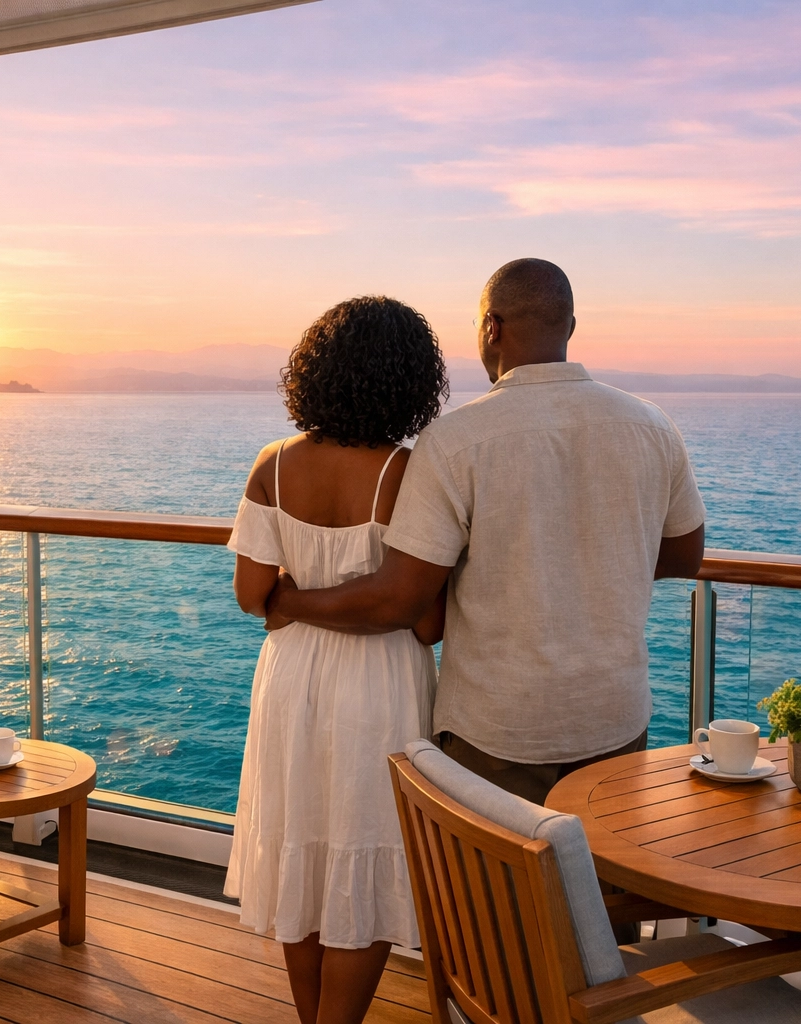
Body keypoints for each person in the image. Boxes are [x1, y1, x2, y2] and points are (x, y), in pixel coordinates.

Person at [266, 259, 707, 805]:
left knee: (495, 887)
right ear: (569, 326)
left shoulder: (455, 441)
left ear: (491, 327)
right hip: (613, 716)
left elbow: (399, 602)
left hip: (497, 730)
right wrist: (598, 559)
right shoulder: (653, 426)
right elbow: (685, 557)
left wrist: (288, 598)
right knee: (602, 883)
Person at [226, 295, 449, 1024]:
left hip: (291, 678)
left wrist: (292, 601)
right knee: (366, 851)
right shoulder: (409, 473)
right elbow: (425, 620)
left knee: (306, 853)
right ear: (411, 380)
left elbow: (252, 595)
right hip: (380, 683)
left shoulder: (273, 465)